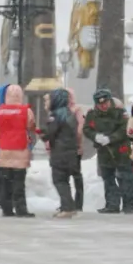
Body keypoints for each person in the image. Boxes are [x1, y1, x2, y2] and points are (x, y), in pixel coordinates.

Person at [85, 88, 133, 213]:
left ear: (109, 101)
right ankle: (112, 205)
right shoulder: (92, 114)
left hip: (120, 149)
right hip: (104, 151)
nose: (103, 106)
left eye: (105, 103)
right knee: (108, 177)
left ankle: (130, 204)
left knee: (125, 176)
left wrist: (110, 138)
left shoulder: (119, 112)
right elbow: (87, 129)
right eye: (100, 104)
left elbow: (124, 128)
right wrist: (95, 136)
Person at [0, 84, 37, 218]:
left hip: (4, 149)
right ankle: (21, 209)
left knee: (6, 181)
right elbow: (31, 125)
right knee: (19, 181)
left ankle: (6, 208)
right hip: (20, 148)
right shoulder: (25, 111)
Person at [43, 87, 85, 217]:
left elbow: (49, 134)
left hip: (59, 154)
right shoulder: (69, 114)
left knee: (59, 181)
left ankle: (67, 208)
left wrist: (41, 133)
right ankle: (68, 206)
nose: (46, 103)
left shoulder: (55, 116)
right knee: (65, 181)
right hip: (70, 153)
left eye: (48, 100)